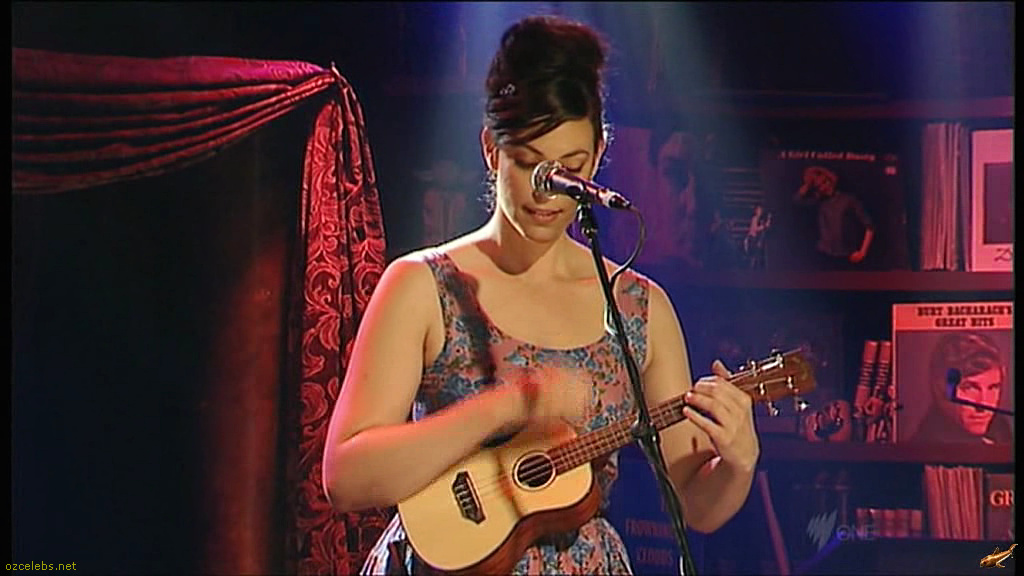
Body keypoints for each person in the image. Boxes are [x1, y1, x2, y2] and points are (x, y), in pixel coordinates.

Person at [321, 15, 761, 575]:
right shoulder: (423, 285)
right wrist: (507, 404)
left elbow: (695, 503)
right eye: (528, 164)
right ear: (491, 150)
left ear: (596, 157)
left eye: (567, 171)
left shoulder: (637, 307)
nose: (545, 193)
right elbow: (347, 477)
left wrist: (738, 463)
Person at [909, 332, 1013, 444]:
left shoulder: (1000, 429)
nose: (984, 404)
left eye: (993, 388)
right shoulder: (924, 446)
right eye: (970, 388)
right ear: (939, 388)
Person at [793, 165, 874, 270]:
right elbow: (797, 201)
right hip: (824, 255)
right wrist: (808, 185)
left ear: (831, 180)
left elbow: (869, 226)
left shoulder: (849, 199)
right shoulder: (819, 202)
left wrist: (862, 252)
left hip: (847, 255)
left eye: (825, 182)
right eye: (819, 186)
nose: (825, 186)